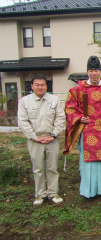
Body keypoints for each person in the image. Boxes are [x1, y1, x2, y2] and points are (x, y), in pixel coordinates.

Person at [64, 55, 101, 198]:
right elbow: (70, 108)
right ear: (87, 72)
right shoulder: (78, 89)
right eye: (91, 70)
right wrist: (79, 117)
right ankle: (88, 191)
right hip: (86, 129)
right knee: (87, 163)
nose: (94, 73)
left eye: (96, 70)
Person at [18, 74, 65, 205]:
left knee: (52, 167)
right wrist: (35, 137)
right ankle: (40, 194)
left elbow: (60, 118)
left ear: (46, 86)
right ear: (32, 86)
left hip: (52, 139)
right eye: (37, 85)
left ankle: (53, 193)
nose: (40, 87)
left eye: (42, 85)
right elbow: (22, 121)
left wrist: (53, 135)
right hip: (35, 141)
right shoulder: (24, 102)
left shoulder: (54, 100)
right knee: (38, 168)